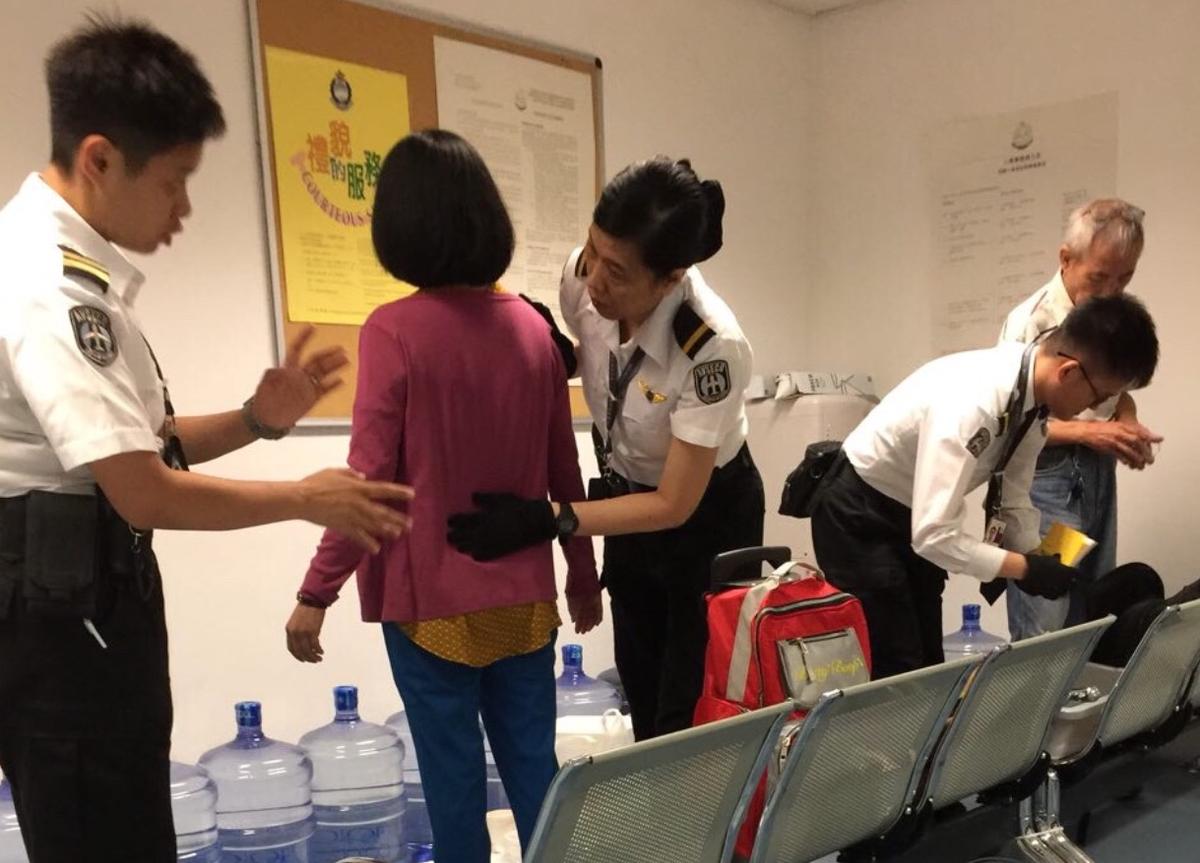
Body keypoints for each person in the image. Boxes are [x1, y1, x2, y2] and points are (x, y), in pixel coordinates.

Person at [0, 18, 413, 863]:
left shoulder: (75, 268)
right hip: (59, 619)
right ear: (101, 158)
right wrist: (306, 497)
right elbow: (143, 489)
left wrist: (256, 419)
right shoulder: (46, 283)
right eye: (176, 181)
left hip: (85, 603)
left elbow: (136, 444)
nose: (185, 208)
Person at [282, 129, 601, 862]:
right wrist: (583, 577)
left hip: (430, 609)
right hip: (524, 600)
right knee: (536, 774)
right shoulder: (532, 328)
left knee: (451, 784)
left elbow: (366, 486)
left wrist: (316, 590)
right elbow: (565, 473)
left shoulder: (393, 331)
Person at [447, 157, 765, 741]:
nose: (594, 282)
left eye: (617, 272)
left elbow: (674, 504)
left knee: (692, 708)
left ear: (669, 279)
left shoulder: (711, 346)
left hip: (707, 516)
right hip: (623, 497)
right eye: (594, 252)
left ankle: (704, 828)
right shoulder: (584, 277)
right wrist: (552, 354)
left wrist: (549, 520)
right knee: (640, 688)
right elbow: (596, 356)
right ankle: (655, 825)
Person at [809, 294, 1158, 679]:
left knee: (927, 664)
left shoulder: (1030, 398)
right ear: (1070, 373)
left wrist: (1041, 560)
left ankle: (922, 738)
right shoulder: (974, 405)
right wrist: (1024, 568)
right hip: (857, 513)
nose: (1099, 407)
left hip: (907, 508)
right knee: (897, 668)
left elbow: (1014, 498)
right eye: (1101, 396)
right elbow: (933, 537)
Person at [999, 199, 1162, 639]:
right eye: (1099, 277)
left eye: (1125, 277)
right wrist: (1094, 432)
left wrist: (1126, 425)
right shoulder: (1031, 323)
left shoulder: (1112, 314)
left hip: (1096, 471)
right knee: (1046, 619)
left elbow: (1119, 393)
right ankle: (1036, 707)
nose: (1112, 291)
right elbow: (1014, 427)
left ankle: (1080, 707)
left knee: (1093, 608)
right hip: (1045, 478)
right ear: (1066, 259)